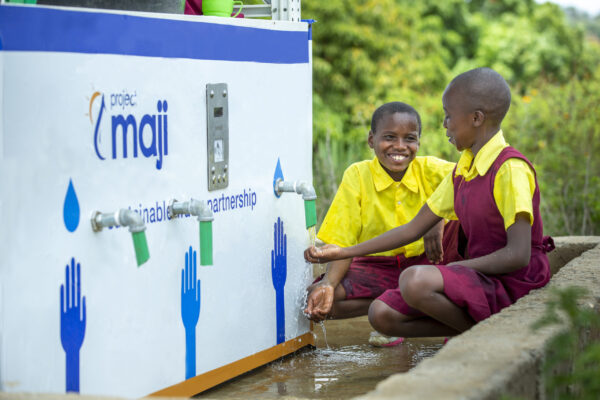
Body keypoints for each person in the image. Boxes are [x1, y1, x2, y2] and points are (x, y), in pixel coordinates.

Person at [305, 68, 554, 339]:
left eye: (448, 115)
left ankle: (485, 336)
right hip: (477, 276)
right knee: (381, 314)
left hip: (511, 281)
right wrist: (342, 253)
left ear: (476, 118)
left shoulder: (509, 168)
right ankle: (469, 330)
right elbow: (411, 230)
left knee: (414, 280)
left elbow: (518, 255)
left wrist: (449, 269)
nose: (445, 124)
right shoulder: (464, 170)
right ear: (371, 139)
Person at [305, 101, 462, 345]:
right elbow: (342, 240)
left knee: (460, 230)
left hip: (428, 264)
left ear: (418, 142)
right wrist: (327, 283)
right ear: (371, 139)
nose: (399, 147)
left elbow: (477, 178)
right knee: (321, 301)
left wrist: (437, 218)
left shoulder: (434, 170)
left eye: (409, 138)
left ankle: (445, 320)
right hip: (380, 267)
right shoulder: (357, 176)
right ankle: (398, 308)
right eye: (389, 137)